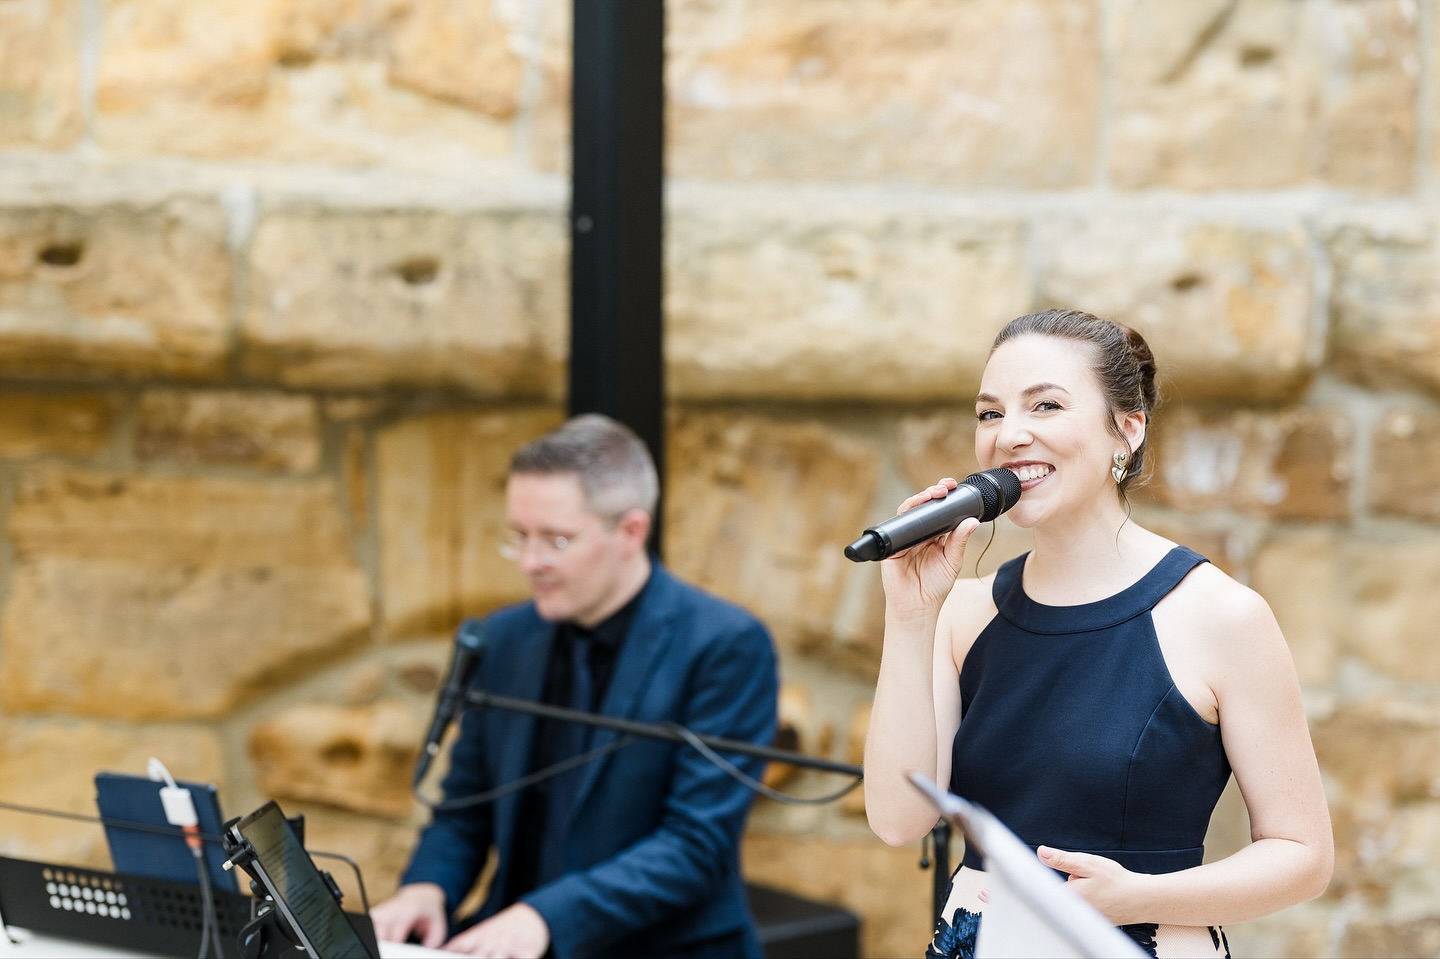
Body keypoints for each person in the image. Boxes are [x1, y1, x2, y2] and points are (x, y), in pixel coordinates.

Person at [863, 309, 1333, 958]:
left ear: (1128, 431)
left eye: (1046, 406)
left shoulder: (1221, 615)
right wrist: (910, 614)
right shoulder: (963, 612)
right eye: (990, 414)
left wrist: (1137, 895)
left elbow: (1302, 854)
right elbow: (897, 820)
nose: (1010, 435)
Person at [370, 413, 779, 959]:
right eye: (518, 537)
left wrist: (546, 917)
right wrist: (428, 887)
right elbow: (466, 808)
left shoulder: (725, 644)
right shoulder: (504, 637)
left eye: (556, 540)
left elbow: (694, 846)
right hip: (510, 939)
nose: (531, 562)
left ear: (631, 532)